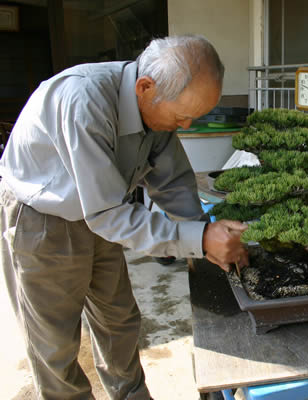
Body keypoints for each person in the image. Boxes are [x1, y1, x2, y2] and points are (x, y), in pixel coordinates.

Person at [0, 35, 249, 400]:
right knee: (55, 344)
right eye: (182, 116)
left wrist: (204, 237)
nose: (185, 126)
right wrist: (198, 239)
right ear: (145, 88)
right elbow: (109, 215)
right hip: (43, 221)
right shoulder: (84, 102)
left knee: (118, 321)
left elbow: (173, 181)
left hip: (103, 213)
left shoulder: (157, 111)